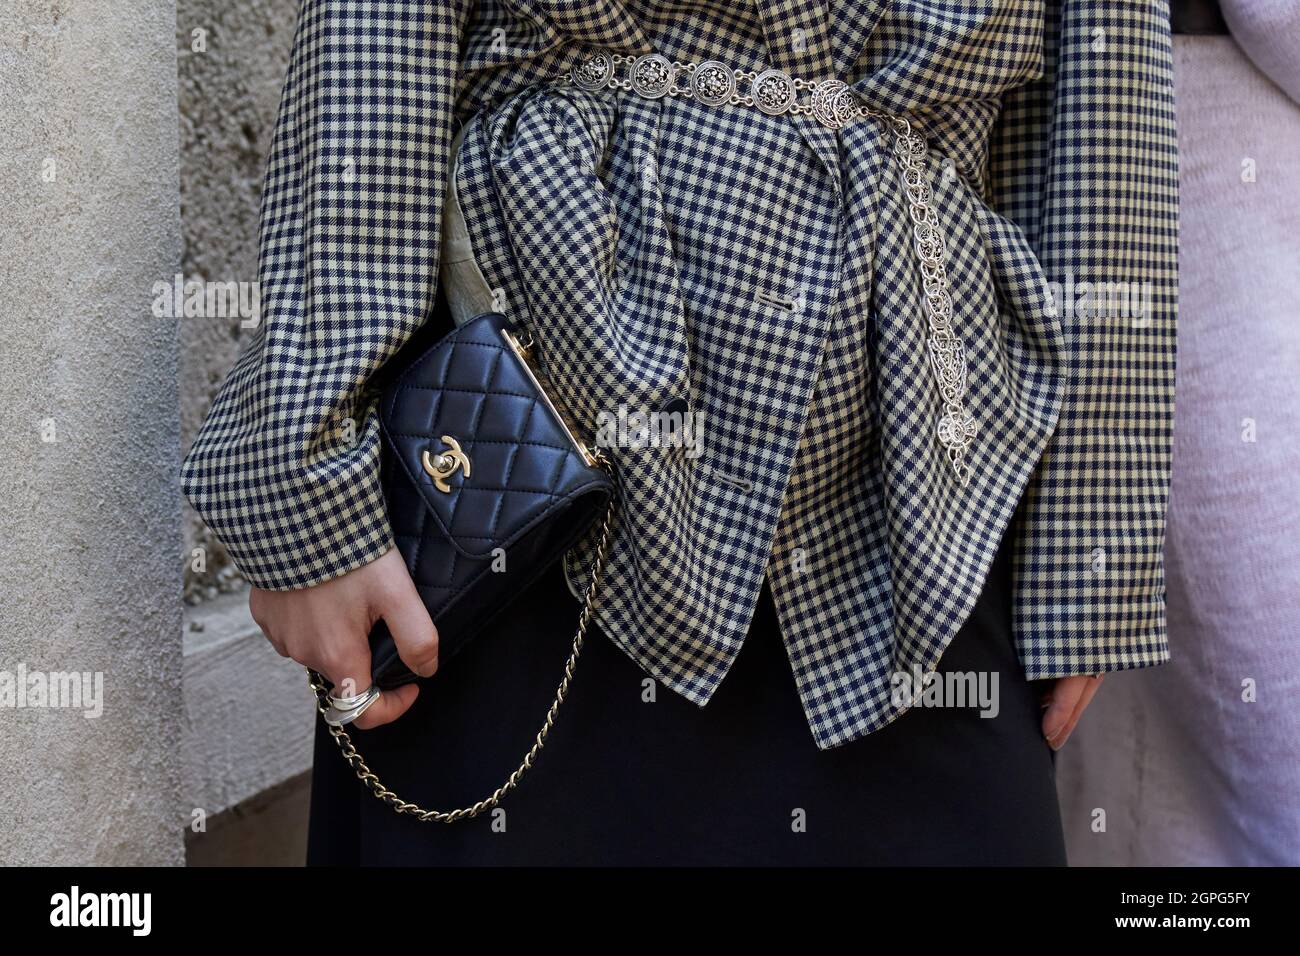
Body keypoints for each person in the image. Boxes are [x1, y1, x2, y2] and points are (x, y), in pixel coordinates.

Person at [182, 0, 1178, 866]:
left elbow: (1107, 115)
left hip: (918, 478)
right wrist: (307, 460)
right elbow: (374, 42)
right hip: (546, 439)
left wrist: (1088, 547)